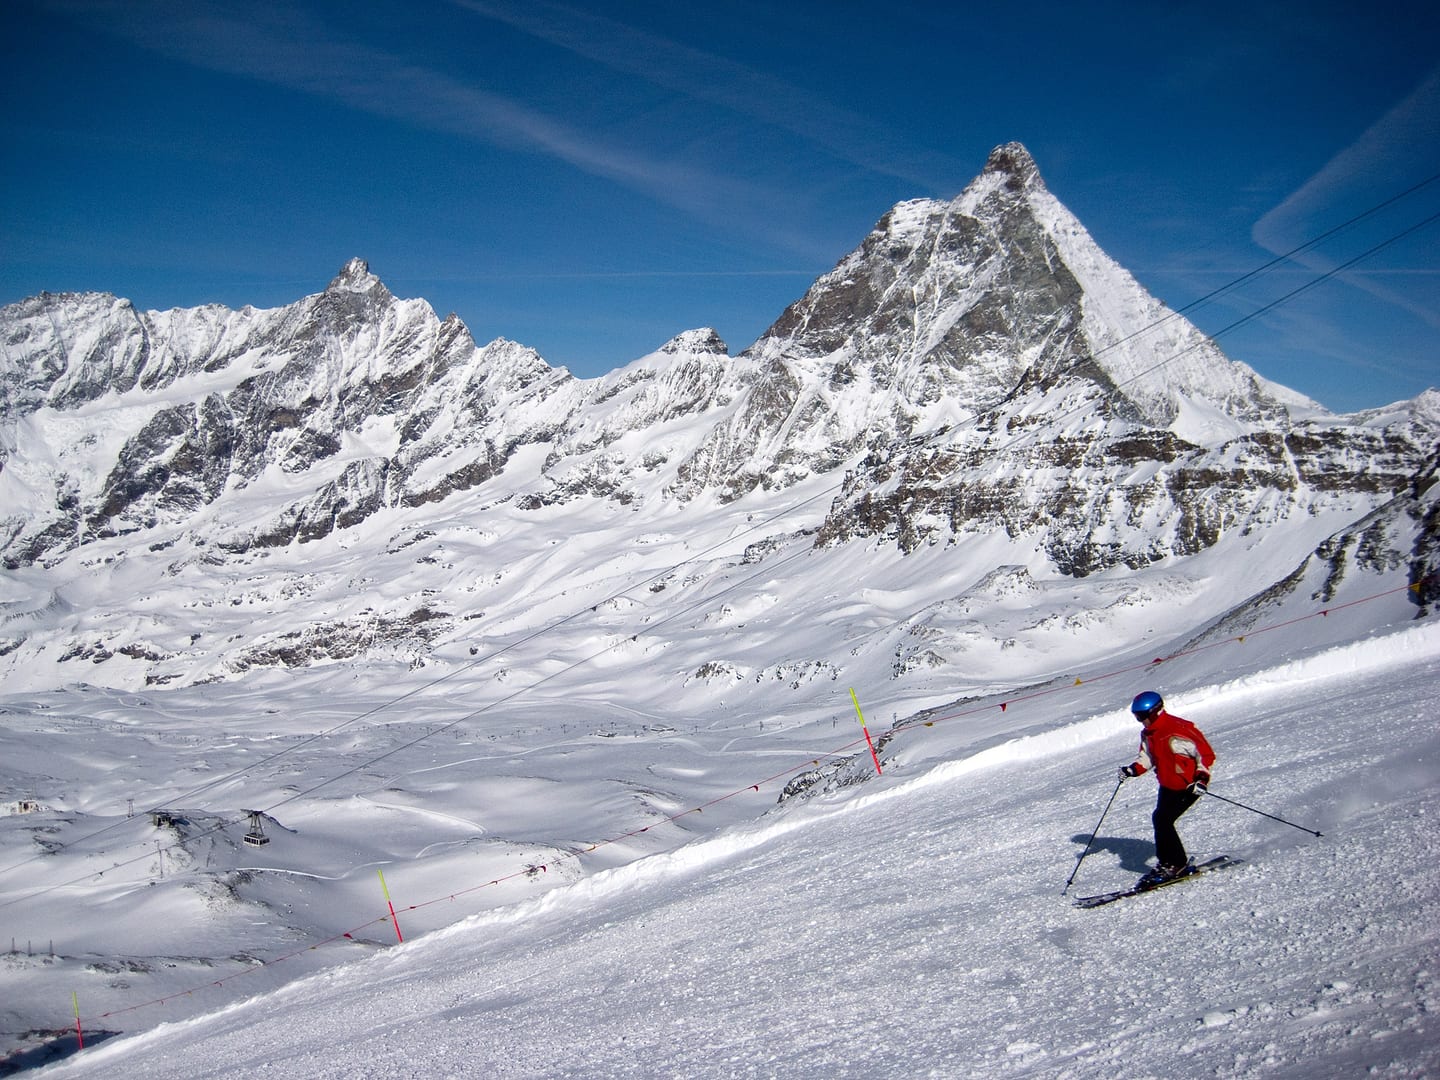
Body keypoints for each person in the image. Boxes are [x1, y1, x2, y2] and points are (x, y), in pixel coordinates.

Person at [1119, 690, 1216, 887]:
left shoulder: (1177, 728)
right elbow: (1148, 758)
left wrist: (1201, 778)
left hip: (1188, 786)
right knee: (1160, 819)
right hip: (1167, 785)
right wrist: (1132, 770)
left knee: (1163, 820)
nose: (1140, 721)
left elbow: (1205, 754)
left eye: (1141, 717)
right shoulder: (1149, 733)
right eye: (1137, 717)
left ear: (1154, 712)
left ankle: (1176, 864)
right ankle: (1167, 862)